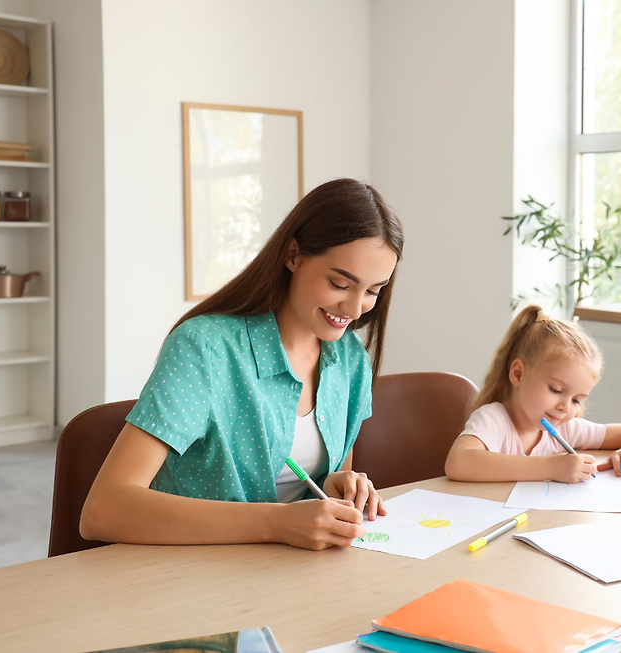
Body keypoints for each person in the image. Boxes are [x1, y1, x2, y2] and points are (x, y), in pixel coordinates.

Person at [81, 178, 403, 551]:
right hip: (188, 574)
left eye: (374, 291)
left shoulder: (349, 359)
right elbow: (104, 510)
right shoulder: (205, 347)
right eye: (339, 283)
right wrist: (277, 522)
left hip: (286, 573)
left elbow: (328, 478)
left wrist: (334, 486)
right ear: (293, 255)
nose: (354, 308)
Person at [444, 304, 621, 483]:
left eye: (576, 399)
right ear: (518, 374)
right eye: (556, 390)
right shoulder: (494, 419)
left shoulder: (563, 427)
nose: (565, 407)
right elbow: (458, 463)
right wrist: (551, 468)